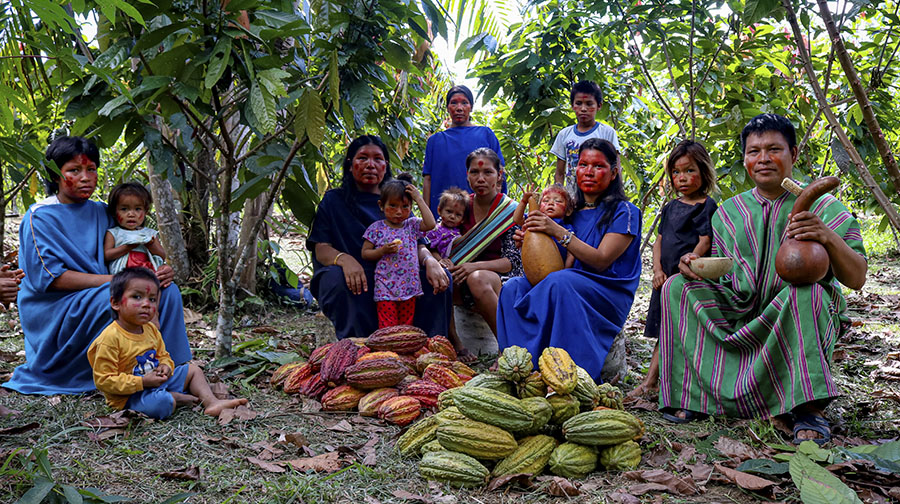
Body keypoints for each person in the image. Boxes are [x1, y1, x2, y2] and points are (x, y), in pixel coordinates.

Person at [658, 114, 867, 446]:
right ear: (744, 159)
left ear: (794, 154)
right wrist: (694, 265)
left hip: (794, 317)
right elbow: (727, 274)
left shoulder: (826, 207)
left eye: (774, 149)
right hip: (742, 312)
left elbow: (856, 278)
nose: (763, 159)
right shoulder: (728, 212)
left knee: (806, 293)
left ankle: (807, 407)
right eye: (754, 151)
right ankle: (695, 396)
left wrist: (826, 236)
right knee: (677, 288)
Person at [3, 136, 191, 395]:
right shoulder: (40, 217)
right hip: (57, 308)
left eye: (91, 169)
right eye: (74, 170)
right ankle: (119, 373)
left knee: (165, 291)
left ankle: (172, 370)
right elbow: (52, 279)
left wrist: (161, 269)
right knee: (129, 297)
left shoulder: (104, 211)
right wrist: (118, 284)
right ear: (56, 175)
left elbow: (140, 247)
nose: (85, 177)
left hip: (101, 293)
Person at [497, 139, 641, 380]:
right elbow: (555, 259)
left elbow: (601, 260)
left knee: (560, 282)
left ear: (614, 172)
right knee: (513, 287)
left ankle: (565, 375)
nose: (589, 172)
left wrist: (557, 232)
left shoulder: (625, 211)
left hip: (605, 291)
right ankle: (522, 367)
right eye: (583, 165)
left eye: (598, 166)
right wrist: (531, 245)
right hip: (565, 279)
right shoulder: (570, 213)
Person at [306, 135, 453, 340]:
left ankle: (427, 346)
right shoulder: (333, 201)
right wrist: (345, 260)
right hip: (355, 273)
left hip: (399, 272)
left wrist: (430, 261)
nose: (370, 165)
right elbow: (321, 247)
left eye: (378, 159)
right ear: (350, 164)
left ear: (385, 166)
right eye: (362, 158)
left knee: (439, 278)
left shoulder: (399, 201)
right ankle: (359, 349)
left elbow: (417, 242)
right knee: (335, 279)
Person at [88, 268, 247, 419]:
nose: (146, 304)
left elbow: (163, 355)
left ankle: (211, 402)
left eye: (152, 299)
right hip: (128, 397)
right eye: (137, 297)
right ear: (115, 303)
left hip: (155, 382)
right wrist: (142, 382)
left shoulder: (150, 329)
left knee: (193, 370)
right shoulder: (109, 339)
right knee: (163, 403)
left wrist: (166, 367)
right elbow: (104, 381)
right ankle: (173, 397)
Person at [630, 141, 718, 399]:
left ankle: (667, 384)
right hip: (666, 278)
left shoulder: (706, 206)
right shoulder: (670, 207)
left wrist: (694, 258)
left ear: (703, 172)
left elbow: (705, 239)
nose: (682, 178)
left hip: (687, 280)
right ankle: (652, 382)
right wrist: (656, 270)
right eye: (676, 173)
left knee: (684, 332)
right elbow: (659, 240)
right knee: (665, 331)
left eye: (690, 171)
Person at [445, 148, 522, 338]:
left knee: (477, 278)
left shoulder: (510, 211)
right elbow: (439, 239)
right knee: (439, 275)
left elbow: (511, 262)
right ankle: (455, 345)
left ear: (499, 175)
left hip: (499, 277)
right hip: (463, 274)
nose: (481, 179)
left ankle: (507, 345)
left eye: (488, 172)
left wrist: (473, 267)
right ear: (467, 176)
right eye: (475, 172)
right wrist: (441, 261)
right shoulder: (459, 207)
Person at [361, 173, 436, 327]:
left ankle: (403, 351)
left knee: (406, 328)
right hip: (386, 287)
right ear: (381, 206)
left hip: (409, 287)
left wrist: (419, 199)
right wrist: (382, 251)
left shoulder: (412, 225)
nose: (399, 212)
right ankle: (388, 351)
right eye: (392, 206)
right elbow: (365, 253)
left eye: (405, 207)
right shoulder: (376, 229)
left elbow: (431, 224)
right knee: (388, 326)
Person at [423, 85, 505, 213]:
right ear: (448, 108)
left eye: (464, 103)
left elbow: (500, 173)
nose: (459, 108)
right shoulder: (435, 141)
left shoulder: (485, 134)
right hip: (444, 217)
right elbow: (428, 179)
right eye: (454, 103)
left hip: (481, 213)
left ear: (471, 107)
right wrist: (427, 216)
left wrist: (498, 210)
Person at [551, 81, 621, 194]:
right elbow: (559, 173)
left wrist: (616, 197)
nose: (583, 108)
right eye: (578, 103)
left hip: (601, 198)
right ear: (572, 106)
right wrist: (559, 197)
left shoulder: (607, 133)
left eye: (589, 104)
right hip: (573, 199)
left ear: (599, 106)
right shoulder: (564, 135)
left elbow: (616, 168)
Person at [104, 182, 167, 275]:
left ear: (146, 211)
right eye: (124, 209)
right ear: (114, 212)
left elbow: (162, 255)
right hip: (123, 274)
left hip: (146, 271)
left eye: (137, 209)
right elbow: (106, 255)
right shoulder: (114, 233)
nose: (131, 214)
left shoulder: (150, 234)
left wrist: (150, 245)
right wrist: (127, 247)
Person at [513, 184, 577, 268]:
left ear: (568, 210)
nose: (550, 203)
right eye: (546, 201)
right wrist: (524, 201)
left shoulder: (566, 229)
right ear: (539, 207)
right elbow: (517, 219)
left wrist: (565, 271)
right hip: (534, 269)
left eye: (558, 201)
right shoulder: (535, 221)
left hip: (556, 270)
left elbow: (571, 255)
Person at [426, 187, 468, 264]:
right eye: (449, 211)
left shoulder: (462, 230)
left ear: (463, 219)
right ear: (439, 210)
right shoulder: (435, 231)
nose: (452, 217)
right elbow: (431, 249)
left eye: (458, 215)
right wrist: (440, 260)